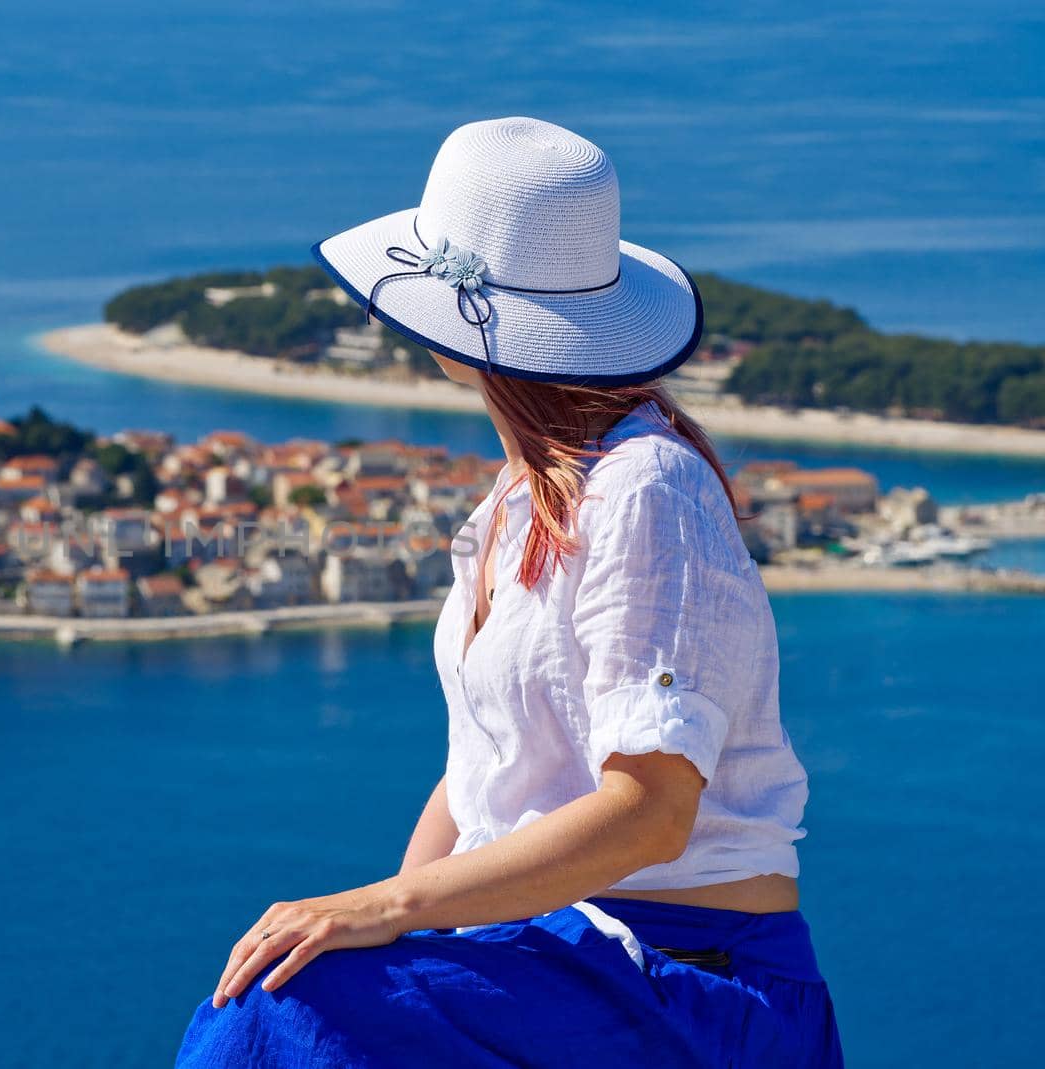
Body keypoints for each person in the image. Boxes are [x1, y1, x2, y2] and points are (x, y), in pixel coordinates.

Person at [174, 118, 845, 1067]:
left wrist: (381, 911)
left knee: (271, 1018)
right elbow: (489, 769)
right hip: (549, 960)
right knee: (288, 981)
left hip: (684, 981)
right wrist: (381, 929)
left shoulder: (647, 486)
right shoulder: (513, 505)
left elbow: (652, 808)